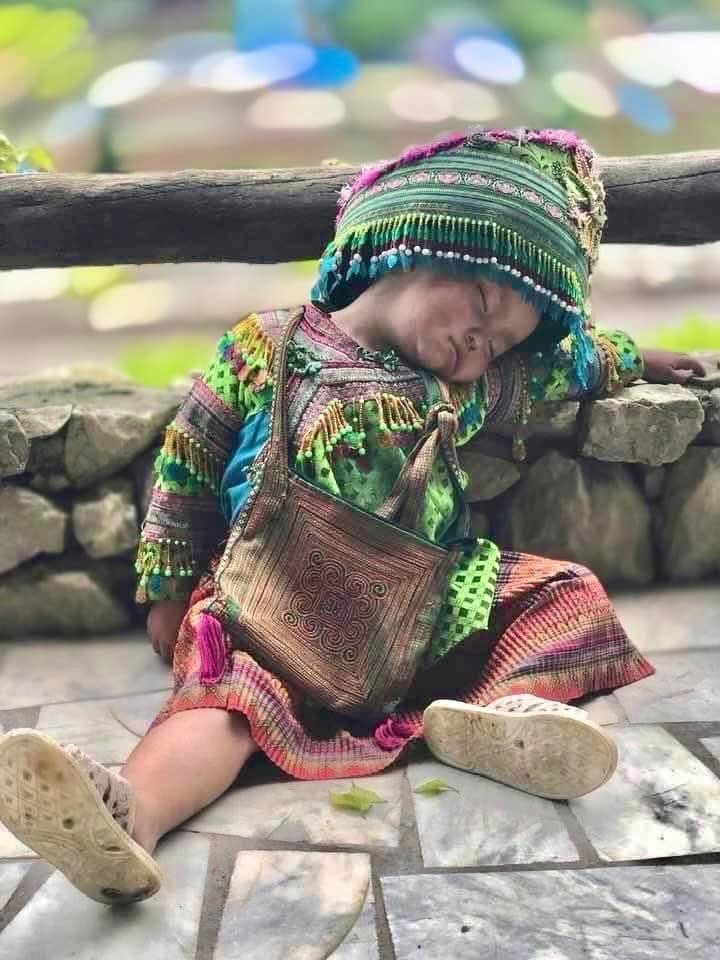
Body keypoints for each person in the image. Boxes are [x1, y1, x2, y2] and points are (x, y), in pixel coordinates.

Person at [0, 126, 704, 906]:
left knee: (565, 590)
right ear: (413, 243)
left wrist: (643, 358)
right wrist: (168, 589)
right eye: (483, 305)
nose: (480, 345)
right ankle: (129, 822)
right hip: (273, 606)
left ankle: (485, 720)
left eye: (498, 344)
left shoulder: (464, 388)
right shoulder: (267, 345)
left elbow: (567, 363)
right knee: (229, 699)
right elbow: (188, 462)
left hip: (420, 603)